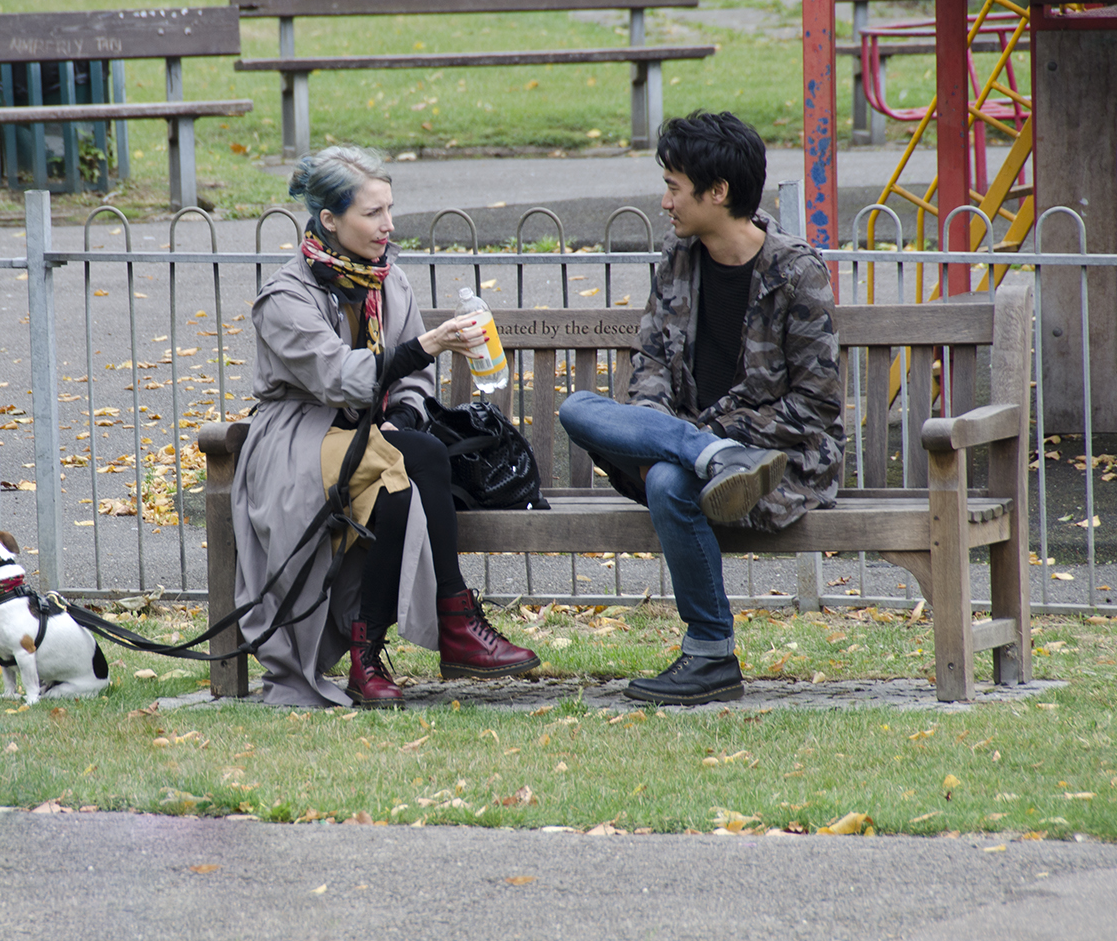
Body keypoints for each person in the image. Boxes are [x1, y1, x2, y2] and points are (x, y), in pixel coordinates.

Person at [231, 144, 540, 708]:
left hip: (364, 436)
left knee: (412, 460)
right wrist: (426, 347)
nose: (388, 226)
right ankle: (440, 627)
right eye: (372, 213)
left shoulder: (387, 279)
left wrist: (397, 419)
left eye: (388, 210)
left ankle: (379, 651)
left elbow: (412, 387)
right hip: (298, 438)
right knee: (410, 470)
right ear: (329, 219)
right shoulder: (284, 295)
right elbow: (341, 378)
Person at [559, 111, 843, 705]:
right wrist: (686, 438)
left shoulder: (796, 273)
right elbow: (652, 369)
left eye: (674, 187)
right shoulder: (679, 261)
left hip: (773, 465)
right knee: (577, 408)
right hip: (695, 451)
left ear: (718, 193)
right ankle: (709, 458)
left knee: (666, 478)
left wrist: (699, 435)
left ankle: (710, 655)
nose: (665, 202)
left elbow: (812, 408)